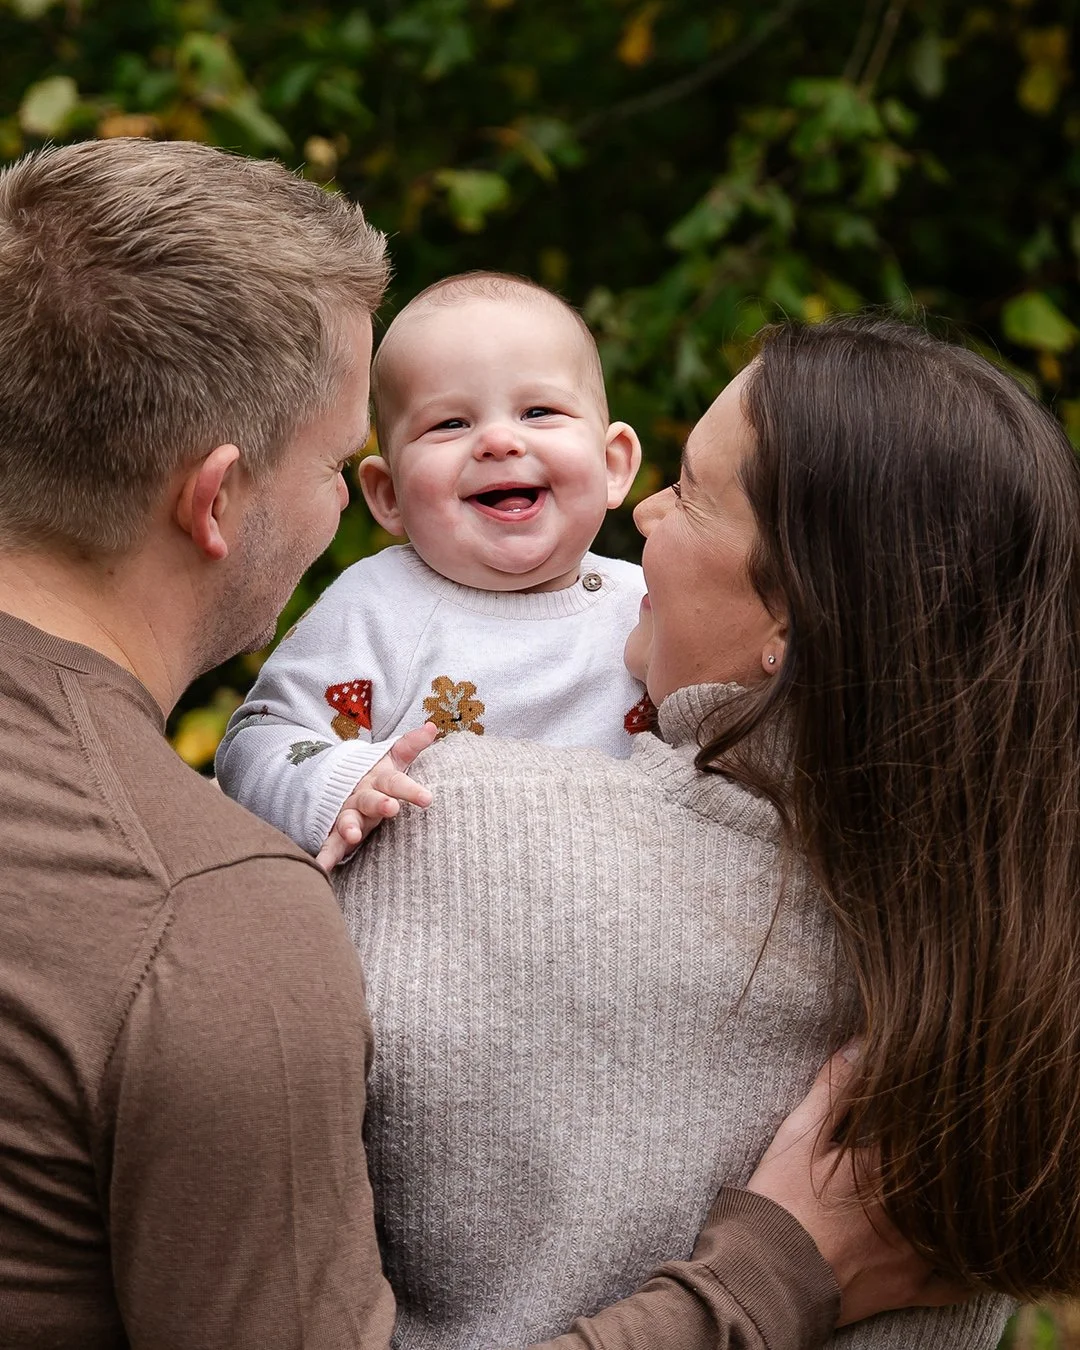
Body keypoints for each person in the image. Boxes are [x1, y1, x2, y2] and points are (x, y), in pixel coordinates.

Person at [0, 136, 948, 1349]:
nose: (347, 507)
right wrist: (775, 1274)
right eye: (344, 465)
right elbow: (281, 742)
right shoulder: (206, 921)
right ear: (216, 500)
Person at [339, 315, 1080, 1348]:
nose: (639, 513)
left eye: (686, 491)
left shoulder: (447, 829)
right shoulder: (1006, 982)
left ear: (790, 620)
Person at [216, 272, 653, 868]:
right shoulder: (377, 606)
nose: (499, 440)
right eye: (450, 423)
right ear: (388, 493)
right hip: (420, 940)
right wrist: (338, 780)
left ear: (612, 464)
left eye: (539, 410)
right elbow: (255, 743)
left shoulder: (650, 605)